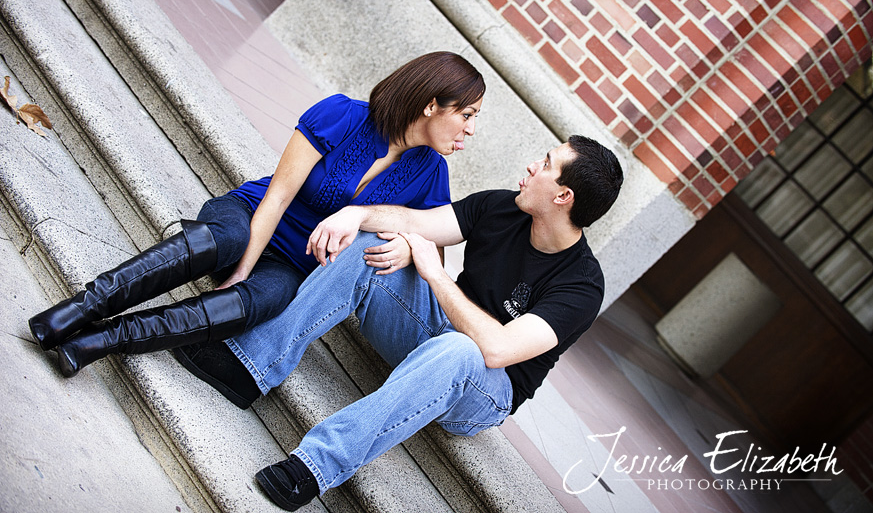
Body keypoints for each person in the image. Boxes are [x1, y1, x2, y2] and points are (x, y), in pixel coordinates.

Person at [177, 135, 623, 511]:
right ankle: (249, 365)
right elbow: (415, 221)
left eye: (546, 164)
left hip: (485, 389)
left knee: (462, 349)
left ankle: (315, 466)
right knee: (375, 241)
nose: (531, 165)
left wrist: (432, 271)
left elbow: (497, 350)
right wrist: (359, 215)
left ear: (563, 196)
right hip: (436, 330)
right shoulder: (503, 207)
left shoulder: (582, 286)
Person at [28, 51, 485, 377]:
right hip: (251, 215)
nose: (469, 130)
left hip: (295, 267)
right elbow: (280, 196)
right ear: (431, 105)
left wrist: (405, 244)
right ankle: (75, 311)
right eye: (466, 114)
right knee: (223, 240)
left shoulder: (431, 173)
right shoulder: (343, 116)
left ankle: (100, 341)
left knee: (266, 299)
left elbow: (429, 248)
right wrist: (243, 267)